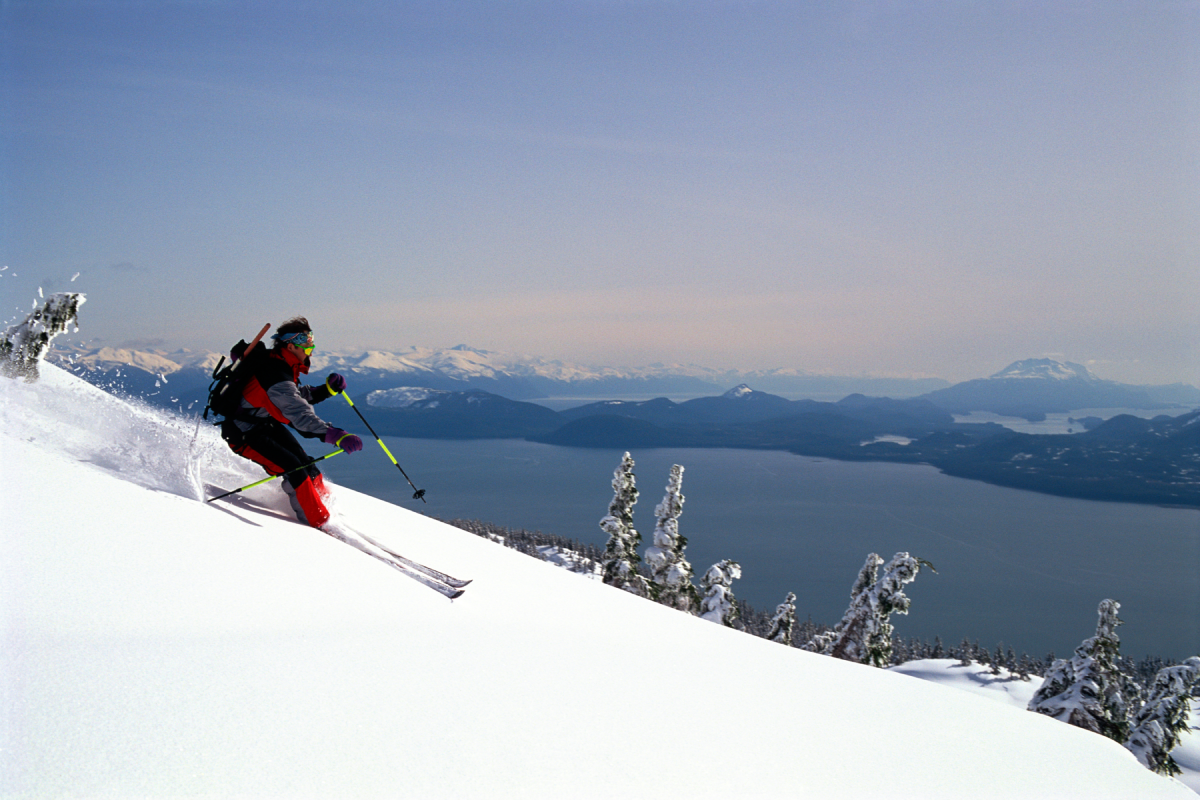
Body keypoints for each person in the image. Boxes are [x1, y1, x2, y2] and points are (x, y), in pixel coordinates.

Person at [221, 317, 363, 528]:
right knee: (295, 469)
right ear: (290, 346)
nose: (311, 351)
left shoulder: (280, 363)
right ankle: (318, 524)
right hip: (244, 434)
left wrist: (326, 390)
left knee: (307, 465)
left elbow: (292, 397)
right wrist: (335, 435)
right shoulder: (275, 373)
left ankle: (327, 508)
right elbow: (298, 414)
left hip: (262, 424)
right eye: (307, 346)